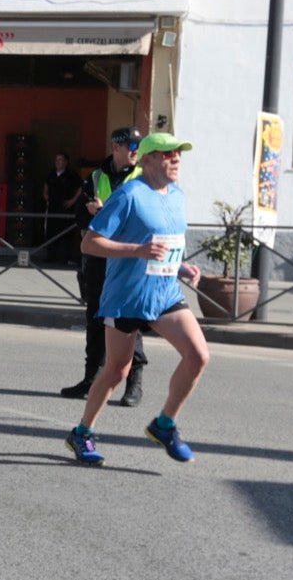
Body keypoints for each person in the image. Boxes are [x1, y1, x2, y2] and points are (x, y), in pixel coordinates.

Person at [65, 132, 208, 466]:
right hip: (127, 296)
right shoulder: (129, 195)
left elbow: (165, 239)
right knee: (116, 370)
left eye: (178, 153)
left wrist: (180, 265)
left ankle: (164, 424)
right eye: (167, 153)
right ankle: (82, 432)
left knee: (198, 355)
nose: (176, 159)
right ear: (147, 160)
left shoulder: (177, 195)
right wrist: (138, 251)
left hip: (165, 293)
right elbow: (90, 243)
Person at [61, 127, 150, 404]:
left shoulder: (143, 179)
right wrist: (89, 214)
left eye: (139, 148)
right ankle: (91, 378)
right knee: (96, 318)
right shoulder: (96, 178)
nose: (137, 152)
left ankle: (134, 384)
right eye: (132, 147)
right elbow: (78, 218)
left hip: (126, 261)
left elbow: (147, 218)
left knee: (128, 320)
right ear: (117, 147)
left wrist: (106, 214)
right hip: (98, 260)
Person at [42, 151, 85, 265]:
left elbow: (81, 188)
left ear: (66, 162)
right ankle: (50, 256)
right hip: (52, 207)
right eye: (56, 160)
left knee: (65, 234)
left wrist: (72, 201)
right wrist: (45, 194)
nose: (58, 162)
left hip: (65, 207)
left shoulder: (71, 174)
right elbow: (46, 184)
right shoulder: (52, 173)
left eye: (60, 160)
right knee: (51, 232)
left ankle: (64, 258)